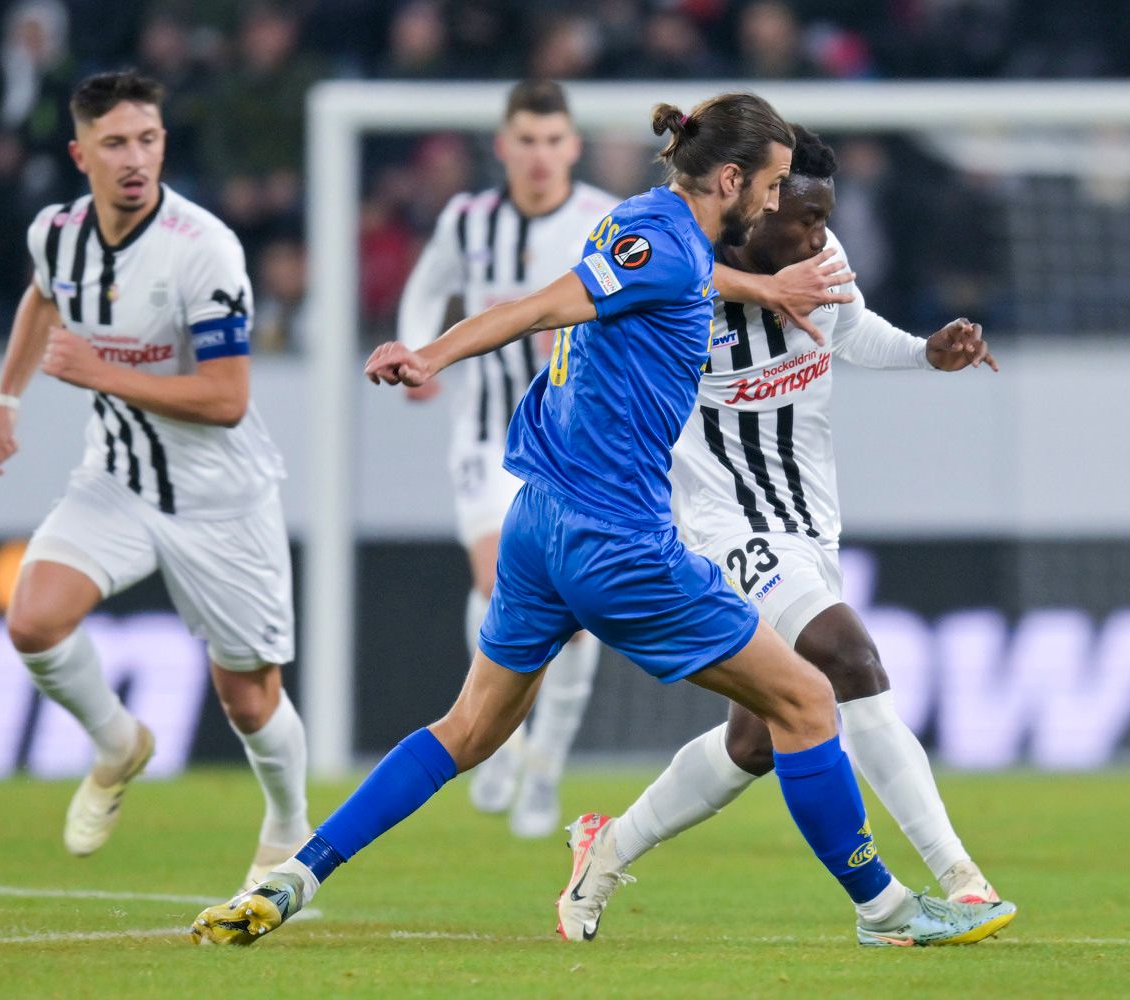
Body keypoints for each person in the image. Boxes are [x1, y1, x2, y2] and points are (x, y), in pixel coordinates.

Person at [191, 92, 1016, 949]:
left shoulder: (644, 220)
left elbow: (678, 273)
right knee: (810, 699)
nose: (778, 204)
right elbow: (549, 305)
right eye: (771, 188)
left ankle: (295, 876)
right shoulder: (667, 252)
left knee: (468, 728)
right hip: (619, 539)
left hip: (537, 520)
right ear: (729, 179)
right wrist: (431, 351)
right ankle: (886, 910)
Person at [554, 124, 1003, 942]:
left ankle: (607, 848)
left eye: (823, 218)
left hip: (807, 524)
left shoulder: (820, 268)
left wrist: (926, 352)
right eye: (798, 218)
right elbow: (603, 295)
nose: (816, 235)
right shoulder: (679, 283)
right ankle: (959, 881)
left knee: (756, 740)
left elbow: (852, 327)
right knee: (850, 658)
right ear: (749, 206)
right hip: (724, 524)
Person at [0, 71, 308, 889]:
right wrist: (4, 400)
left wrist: (99, 373)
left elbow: (228, 400)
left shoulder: (205, 249)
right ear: (79, 152)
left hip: (220, 496)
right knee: (32, 622)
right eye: (116, 143)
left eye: (148, 140)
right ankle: (120, 742)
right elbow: (39, 301)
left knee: (250, 701)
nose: (135, 159)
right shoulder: (57, 232)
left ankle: (289, 825)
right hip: (117, 479)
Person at [395, 80, 620, 839]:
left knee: (579, 610)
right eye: (526, 140)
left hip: (575, 443)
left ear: (573, 147)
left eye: (553, 141)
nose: (539, 155)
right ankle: (496, 734)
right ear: (503, 145)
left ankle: (546, 762)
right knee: (495, 579)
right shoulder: (467, 221)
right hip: (490, 434)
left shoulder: (602, 221)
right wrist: (421, 359)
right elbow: (426, 293)